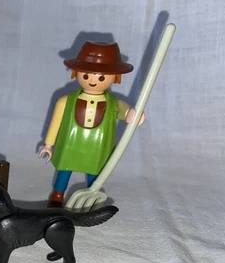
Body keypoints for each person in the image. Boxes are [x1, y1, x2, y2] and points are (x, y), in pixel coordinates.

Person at [38, 41, 145, 208]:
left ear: (115, 77)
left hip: (97, 147)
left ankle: (91, 194)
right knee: (64, 169)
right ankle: (57, 194)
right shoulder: (65, 101)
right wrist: (48, 144)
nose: (93, 81)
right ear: (77, 72)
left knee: (94, 172)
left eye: (101, 77)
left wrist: (132, 114)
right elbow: (56, 123)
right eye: (87, 75)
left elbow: (124, 111)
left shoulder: (112, 104)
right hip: (71, 144)